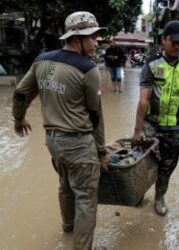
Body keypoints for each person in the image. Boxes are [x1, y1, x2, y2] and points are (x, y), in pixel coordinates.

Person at [12, 11, 108, 250]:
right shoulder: (88, 69)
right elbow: (95, 116)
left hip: (53, 142)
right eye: (93, 37)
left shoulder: (42, 60)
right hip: (78, 144)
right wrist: (102, 151)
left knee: (65, 185)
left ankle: (68, 228)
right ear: (77, 38)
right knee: (86, 199)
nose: (96, 42)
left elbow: (21, 93)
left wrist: (19, 119)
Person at [132, 20, 179, 216]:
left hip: (174, 128)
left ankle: (159, 197)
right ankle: (138, 194)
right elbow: (144, 99)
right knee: (143, 163)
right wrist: (138, 130)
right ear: (164, 39)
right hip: (151, 126)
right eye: (175, 42)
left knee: (167, 166)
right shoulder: (152, 64)